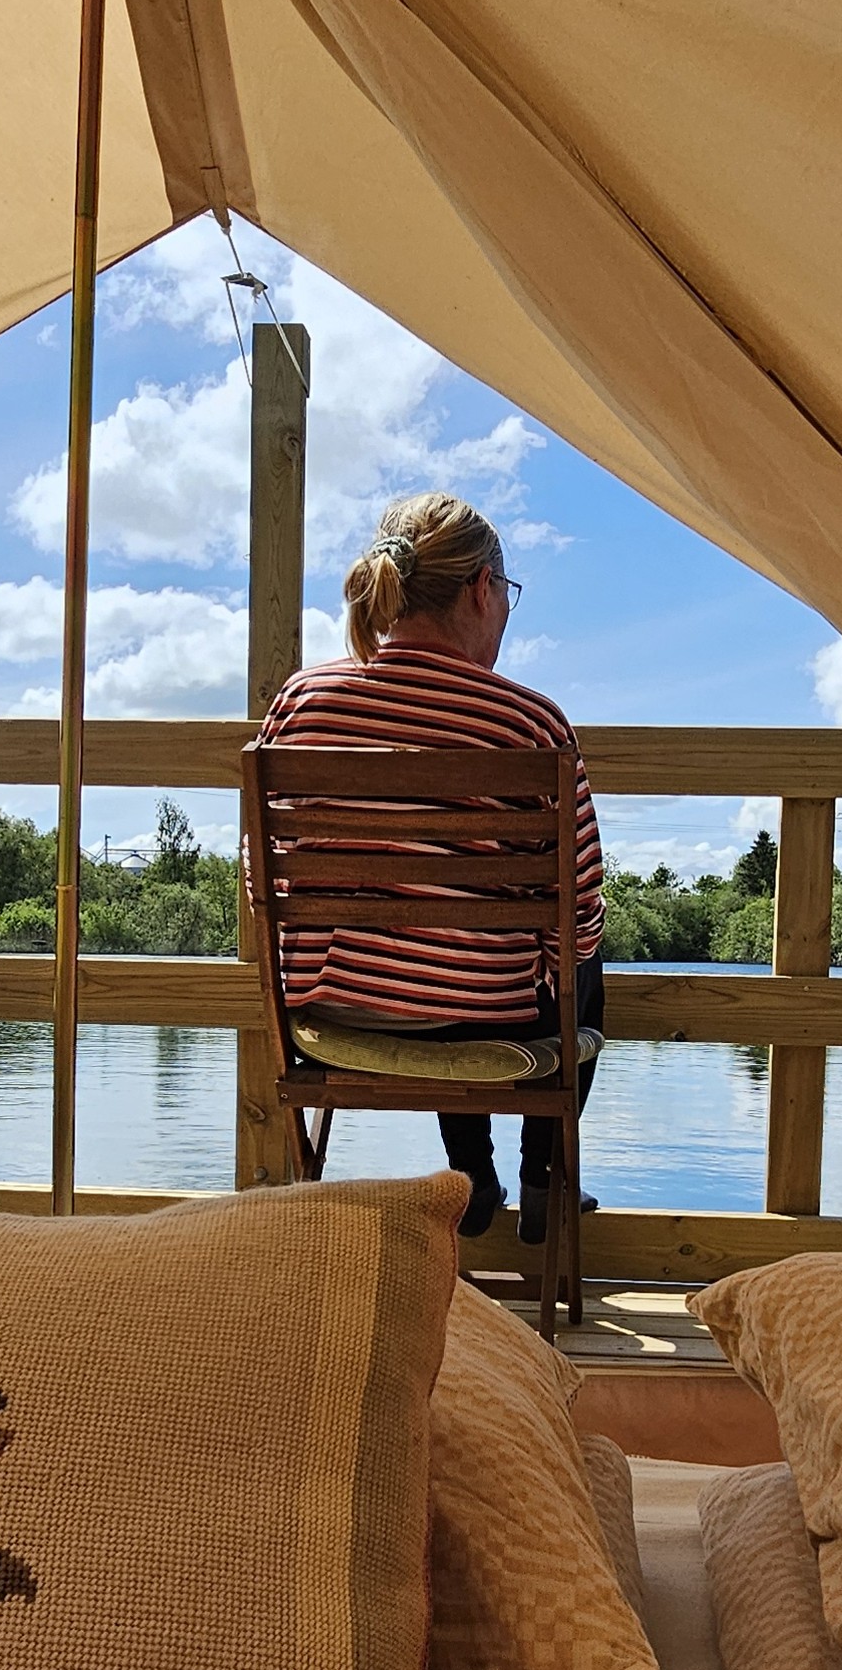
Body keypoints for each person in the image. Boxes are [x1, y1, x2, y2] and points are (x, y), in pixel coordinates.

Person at [257, 492, 606, 1241]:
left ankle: (470, 1179)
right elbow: (575, 923)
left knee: (448, 935)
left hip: (324, 1018)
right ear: (482, 587)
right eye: (507, 595)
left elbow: (263, 885)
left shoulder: (301, 702)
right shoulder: (529, 725)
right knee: (571, 962)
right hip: (481, 1023)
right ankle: (545, 1181)